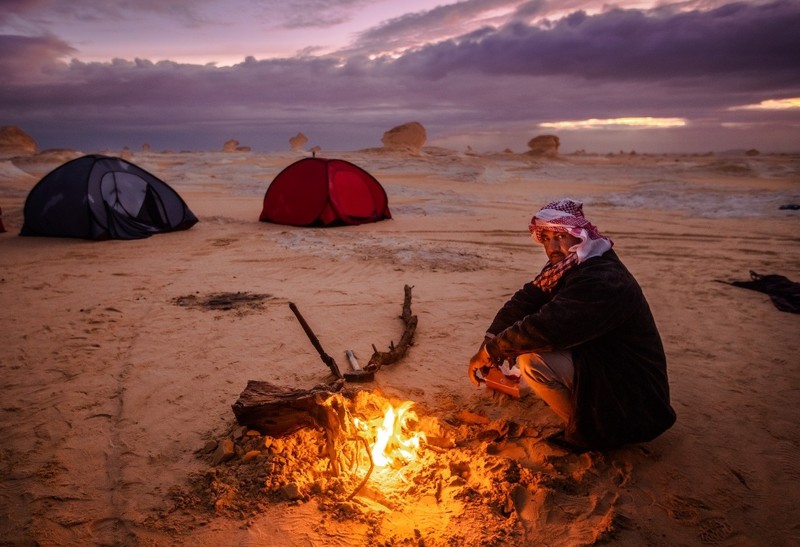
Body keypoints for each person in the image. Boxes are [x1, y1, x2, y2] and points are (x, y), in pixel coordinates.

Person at [468, 198, 676, 451]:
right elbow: (529, 298)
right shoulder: (571, 264)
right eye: (545, 239)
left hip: (632, 393)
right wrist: (491, 338)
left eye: (559, 237)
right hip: (603, 359)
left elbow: (548, 327)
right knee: (525, 346)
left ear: (579, 235)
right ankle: (583, 411)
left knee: (533, 360)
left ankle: (591, 432)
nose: (552, 247)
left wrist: (494, 350)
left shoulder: (602, 277)